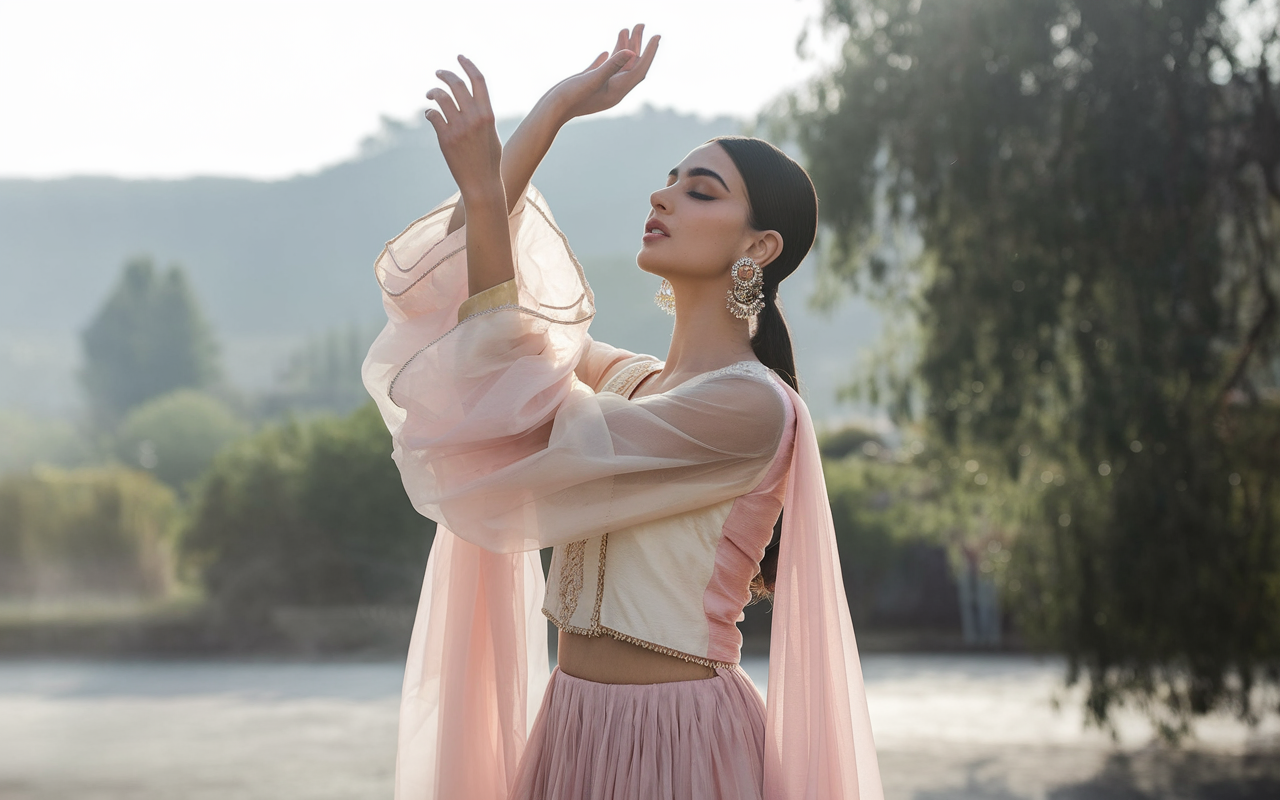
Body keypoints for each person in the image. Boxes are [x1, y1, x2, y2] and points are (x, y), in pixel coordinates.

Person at [362, 24, 882, 800]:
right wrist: (551, 115)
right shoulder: (629, 382)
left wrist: (487, 190)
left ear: (760, 248)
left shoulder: (751, 407)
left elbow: (515, 390)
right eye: (669, 180)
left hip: (681, 741)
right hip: (570, 731)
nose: (661, 196)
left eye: (700, 191)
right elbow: (472, 316)